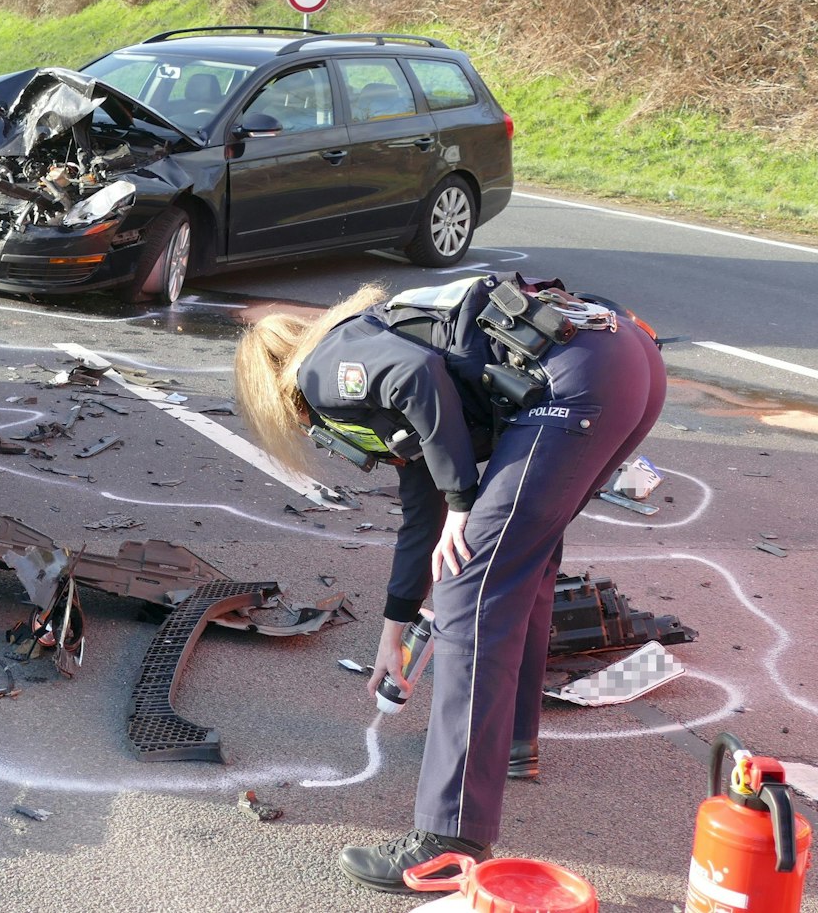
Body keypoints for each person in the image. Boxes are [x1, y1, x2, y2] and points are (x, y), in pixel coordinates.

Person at [234, 273, 665, 892]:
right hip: (624, 360)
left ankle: (447, 840)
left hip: (580, 379)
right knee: (525, 561)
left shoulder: (319, 370)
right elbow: (422, 507)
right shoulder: (378, 334)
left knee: (471, 586)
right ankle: (511, 744)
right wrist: (393, 631)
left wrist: (464, 501)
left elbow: (417, 385)